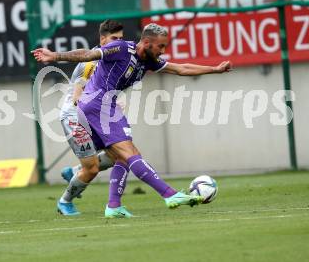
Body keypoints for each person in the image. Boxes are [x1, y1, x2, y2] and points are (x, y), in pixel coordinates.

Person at [33, 23, 232, 218]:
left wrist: (215, 69)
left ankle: (113, 206)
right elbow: (87, 54)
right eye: (161, 46)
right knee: (131, 153)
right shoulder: (121, 48)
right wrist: (55, 56)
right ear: (146, 42)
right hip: (98, 104)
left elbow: (181, 69)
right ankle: (170, 195)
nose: (163, 50)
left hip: (101, 106)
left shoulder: (148, 61)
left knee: (119, 157)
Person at [56, 20, 124, 216]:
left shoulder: (113, 60)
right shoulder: (91, 62)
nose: (118, 43)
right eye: (114, 39)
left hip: (95, 114)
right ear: (103, 40)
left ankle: (75, 171)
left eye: (120, 39)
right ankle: (64, 202)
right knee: (92, 169)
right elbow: (78, 97)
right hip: (75, 116)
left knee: (117, 155)